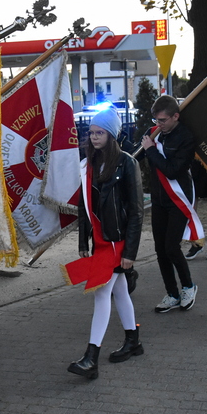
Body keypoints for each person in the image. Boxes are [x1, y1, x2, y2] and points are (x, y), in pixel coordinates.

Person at [63, 108, 144, 380]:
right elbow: (85, 207)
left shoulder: (127, 163)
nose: (94, 137)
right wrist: (82, 243)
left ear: (111, 135)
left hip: (117, 242)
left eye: (100, 133)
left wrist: (130, 252)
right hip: (99, 241)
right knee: (119, 291)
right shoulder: (87, 164)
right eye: (92, 132)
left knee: (101, 293)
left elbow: (136, 212)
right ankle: (133, 341)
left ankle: (91, 358)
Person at [140, 95, 200, 313]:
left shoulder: (185, 137)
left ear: (176, 116)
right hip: (158, 199)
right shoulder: (153, 133)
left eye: (163, 120)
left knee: (171, 247)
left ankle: (188, 286)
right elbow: (137, 157)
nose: (159, 124)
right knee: (160, 249)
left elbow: (173, 170)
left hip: (178, 198)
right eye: (156, 120)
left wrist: (151, 150)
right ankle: (172, 293)